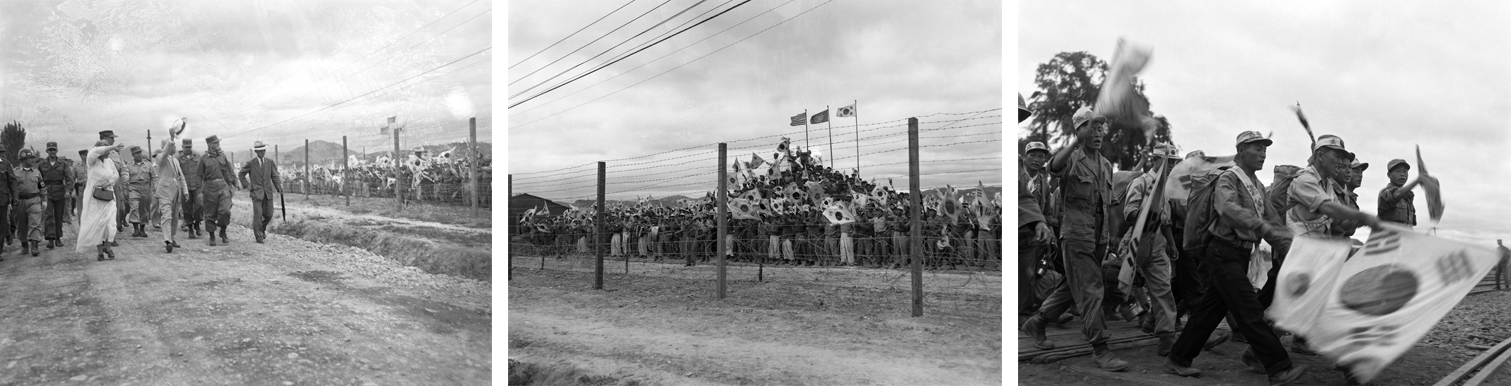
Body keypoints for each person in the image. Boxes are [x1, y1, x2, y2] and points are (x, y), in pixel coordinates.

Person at [1165, 130, 1307, 384]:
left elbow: (1272, 219)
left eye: (1265, 149)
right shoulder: (1228, 178)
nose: (1263, 154)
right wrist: (1262, 227)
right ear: (1241, 151)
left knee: (1208, 311)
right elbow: (1227, 208)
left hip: (1239, 254)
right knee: (1249, 308)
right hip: (1222, 251)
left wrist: (1289, 245)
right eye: (1257, 149)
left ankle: (1178, 357)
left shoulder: (1256, 186)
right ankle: (1278, 366)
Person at [1021, 106, 1128, 372]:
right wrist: (1073, 144)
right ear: (1079, 131)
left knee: (1071, 286)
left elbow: (1109, 203)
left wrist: (1114, 235)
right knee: (1092, 289)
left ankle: (1038, 322)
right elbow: (1054, 166)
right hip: (1076, 235)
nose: (1098, 133)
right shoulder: (1072, 158)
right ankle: (1100, 348)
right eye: (1092, 128)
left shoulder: (1105, 164)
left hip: (1099, 238)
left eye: (1101, 128)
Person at [1120, 143, 1183, 355]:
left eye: (1174, 163)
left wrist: (1172, 245)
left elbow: (1165, 222)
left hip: (1157, 244)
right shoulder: (1141, 183)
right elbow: (1129, 213)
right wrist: (1147, 213)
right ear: (1156, 161)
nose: (1172, 166)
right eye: (1168, 162)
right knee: (1116, 286)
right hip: (1137, 240)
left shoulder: (1165, 188)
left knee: (1163, 290)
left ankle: (1166, 336)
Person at [77, 141, 125, 260]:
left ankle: (108, 247)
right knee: (98, 224)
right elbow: (95, 152)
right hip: (95, 197)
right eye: (107, 150)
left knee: (110, 224)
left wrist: (109, 182)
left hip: (108, 195)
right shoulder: (92, 161)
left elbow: (115, 174)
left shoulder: (109, 162)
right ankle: (100, 252)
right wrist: (113, 146)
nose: (109, 152)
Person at [237, 141, 282, 244]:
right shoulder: (251, 163)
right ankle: (258, 235)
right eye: (260, 151)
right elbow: (241, 174)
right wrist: (247, 185)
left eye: (264, 150)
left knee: (269, 214)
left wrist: (278, 187)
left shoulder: (269, 162)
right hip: (256, 193)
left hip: (268, 193)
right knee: (258, 214)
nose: (262, 152)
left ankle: (261, 228)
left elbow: (275, 176)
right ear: (256, 151)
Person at [199, 135, 239, 246]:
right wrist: (199, 192)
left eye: (218, 143)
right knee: (210, 213)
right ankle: (212, 236)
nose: (218, 145)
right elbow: (199, 176)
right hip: (209, 188)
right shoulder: (203, 159)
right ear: (209, 145)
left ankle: (223, 230)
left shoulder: (222, 156)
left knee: (225, 210)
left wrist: (234, 182)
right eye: (216, 143)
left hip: (223, 186)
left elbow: (228, 171)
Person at [155, 121, 189, 251]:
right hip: (164, 192)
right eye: (172, 145)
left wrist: (185, 191)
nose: (175, 147)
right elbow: (165, 153)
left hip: (175, 192)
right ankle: (167, 240)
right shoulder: (160, 158)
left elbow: (181, 176)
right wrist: (172, 138)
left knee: (175, 217)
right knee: (167, 216)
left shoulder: (175, 160)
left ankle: (172, 237)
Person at [39, 142, 73, 249]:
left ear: (57, 151)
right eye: (50, 150)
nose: (52, 152)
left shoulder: (63, 164)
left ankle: (58, 238)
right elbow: (38, 179)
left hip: (60, 191)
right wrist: (41, 190)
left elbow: (69, 179)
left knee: (59, 216)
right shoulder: (41, 164)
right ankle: (50, 239)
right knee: (48, 215)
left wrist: (68, 190)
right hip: (46, 192)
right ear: (47, 151)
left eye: (54, 149)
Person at [12, 149, 43, 257]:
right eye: (30, 158)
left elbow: (42, 187)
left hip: (34, 201)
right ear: (23, 159)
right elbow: (11, 187)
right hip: (19, 202)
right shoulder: (14, 172)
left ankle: (34, 245)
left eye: (33, 157)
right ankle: (24, 243)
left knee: (35, 223)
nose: (33, 160)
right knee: (21, 224)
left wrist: (45, 201)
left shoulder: (37, 172)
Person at [1378, 158, 1418, 228]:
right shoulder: (1385, 192)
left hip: (1405, 237)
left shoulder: (1408, 197)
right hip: (1390, 237)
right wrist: (1417, 181)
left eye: (1405, 171)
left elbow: (1411, 224)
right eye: (1397, 171)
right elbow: (1395, 195)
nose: (1402, 174)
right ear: (1389, 175)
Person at [125, 146, 154, 238]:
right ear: (133, 155)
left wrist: (154, 187)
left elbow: (154, 176)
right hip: (134, 187)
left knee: (144, 209)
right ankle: (135, 229)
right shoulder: (129, 166)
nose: (139, 155)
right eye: (137, 153)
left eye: (140, 152)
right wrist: (126, 190)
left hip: (146, 187)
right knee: (134, 207)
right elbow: (125, 179)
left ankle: (142, 229)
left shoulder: (148, 164)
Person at [178, 138, 204, 239]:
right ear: (182, 147)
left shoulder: (197, 156)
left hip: (197, 186)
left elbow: (202, 170)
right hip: (185, 188)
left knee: (200, 206)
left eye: (190, 147)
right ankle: (190, 230)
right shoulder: (179, 158)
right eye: (186, 147)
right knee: (187, 209)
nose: (188, 149)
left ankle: (197, 224)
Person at [73, 149, 89, 221]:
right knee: (80, 208)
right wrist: (73, 190)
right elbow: (72, 179)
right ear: (81, 156)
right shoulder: (77, 167)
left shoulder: (92, 165)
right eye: (85, 155)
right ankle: (82, 226)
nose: (87, 156)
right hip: (80, 189)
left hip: (91, 189)